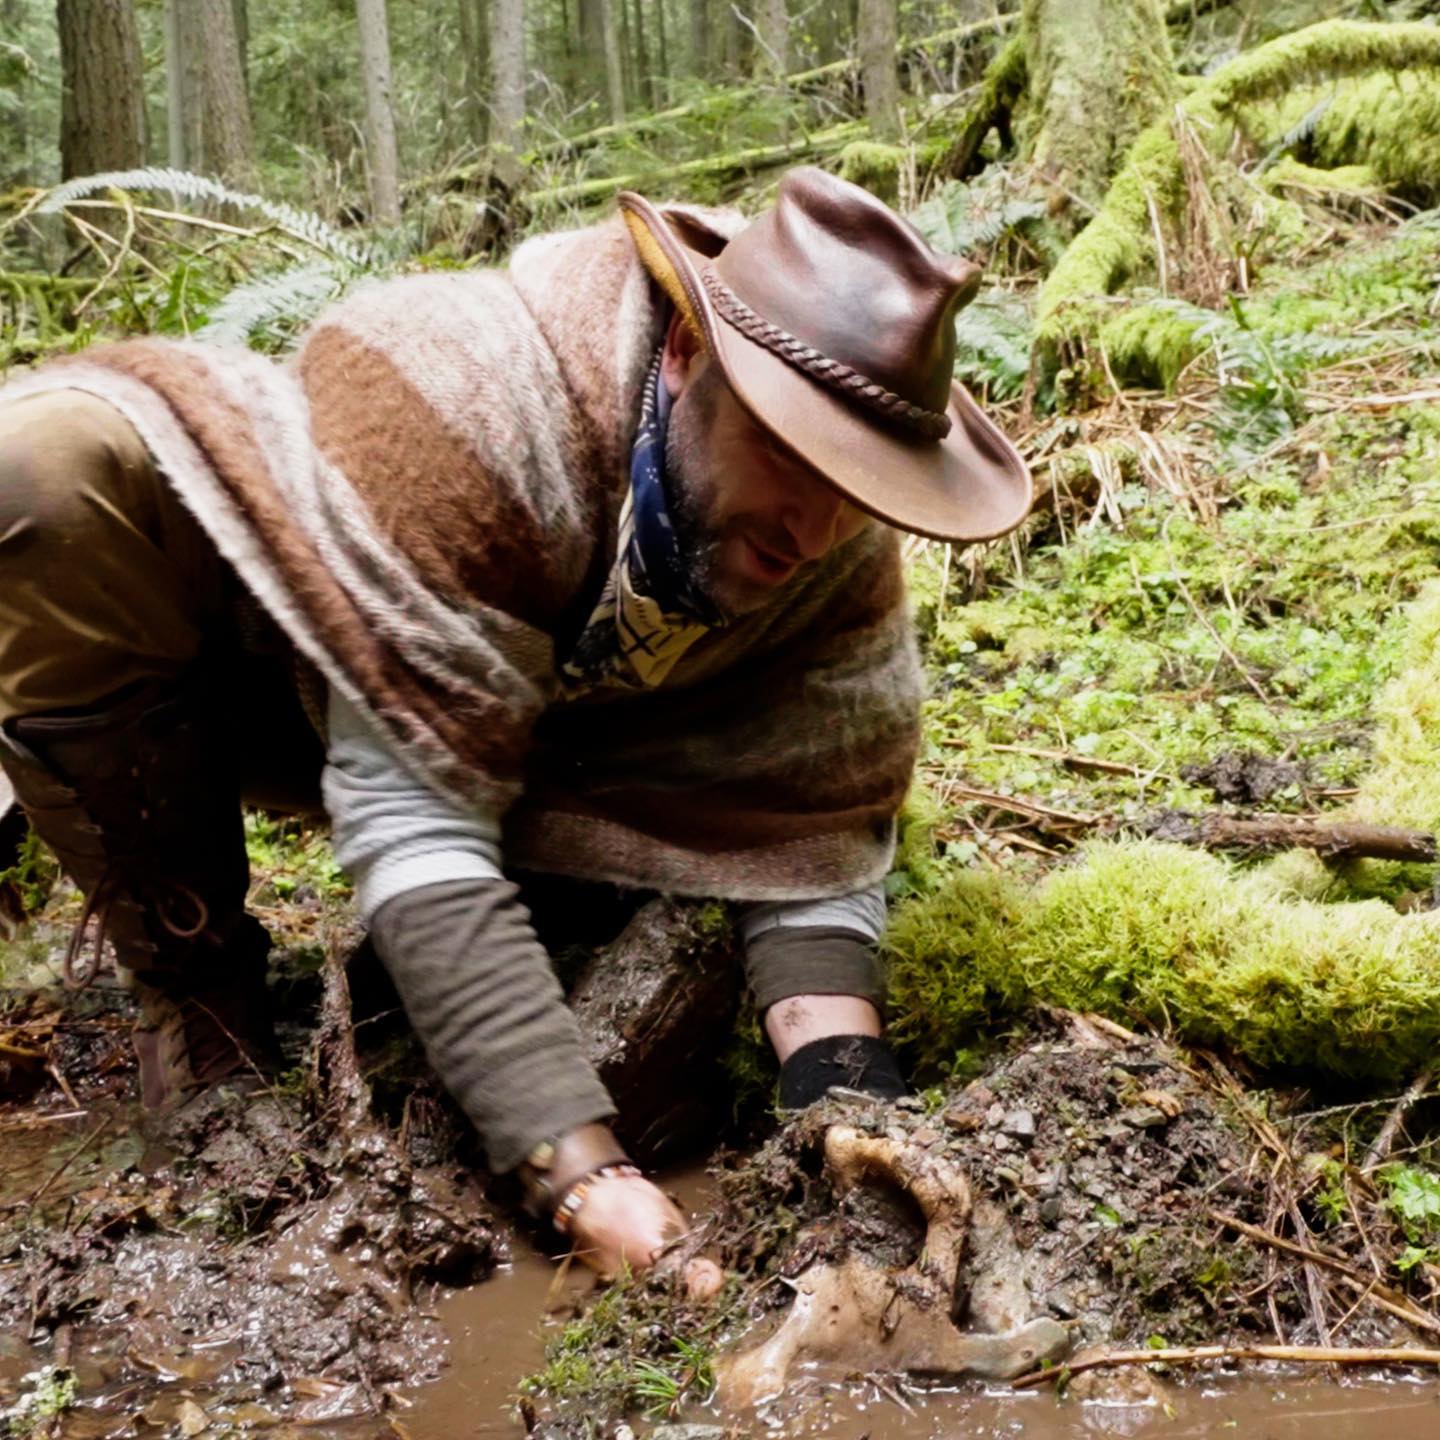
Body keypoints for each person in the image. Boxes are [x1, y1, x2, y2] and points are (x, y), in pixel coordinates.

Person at [0, 168, 1031, 1282]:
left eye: (858, 484)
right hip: (295, 665)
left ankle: (552, 889)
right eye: (789, 453)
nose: (819, 525)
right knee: (42, 467)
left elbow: (817, 825)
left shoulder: (830, 553)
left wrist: (841, 1090)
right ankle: (199, 1000)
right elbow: (414, 821)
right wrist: (579, 1172)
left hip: (564, 746)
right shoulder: (473, 392)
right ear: (684, 355)